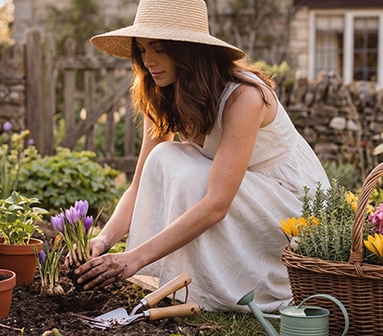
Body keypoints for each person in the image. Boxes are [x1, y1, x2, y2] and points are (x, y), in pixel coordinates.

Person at [73, 0, 330, 312]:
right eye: (142, 49)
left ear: (189, 50)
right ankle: (189, 280)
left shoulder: (244, 96)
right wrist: (103, 241)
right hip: (238, 194)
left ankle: (230, 287)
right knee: (165, 158)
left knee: (190, 173)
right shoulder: (162, 94)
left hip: (293, 212)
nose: (149, 60)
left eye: (160, 49)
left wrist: (134, 258)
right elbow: (140, 183)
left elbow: (216, 204)